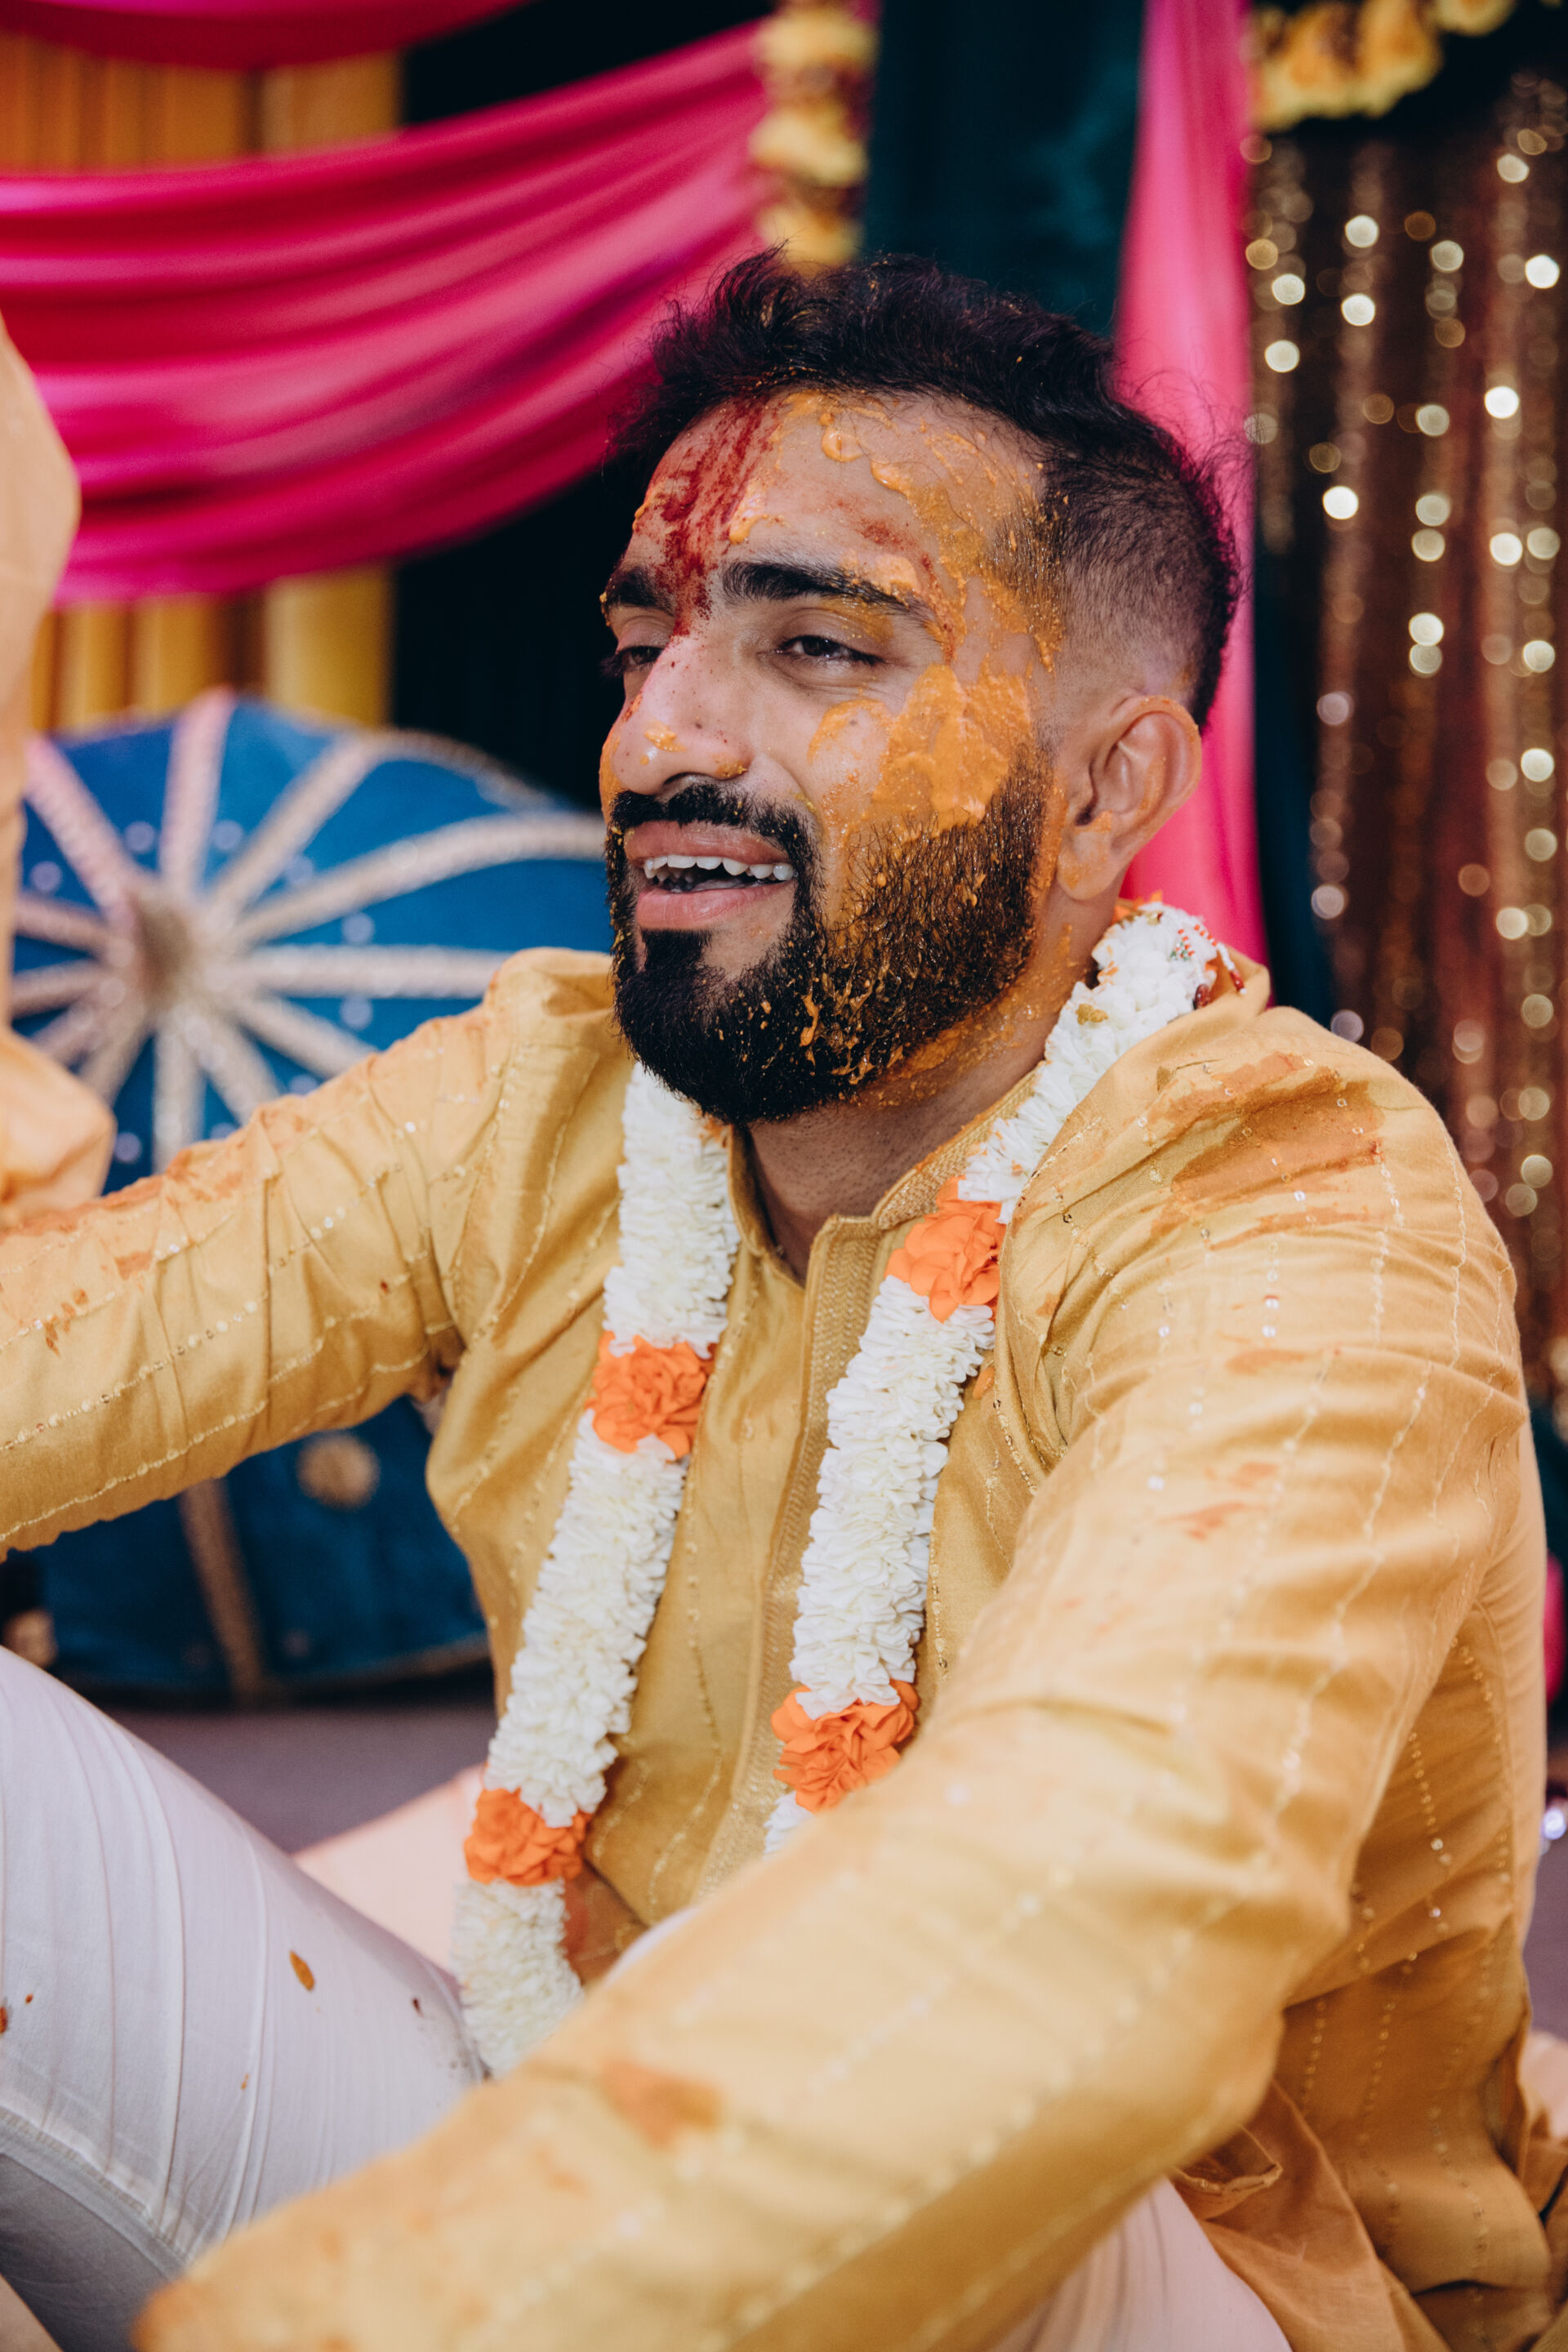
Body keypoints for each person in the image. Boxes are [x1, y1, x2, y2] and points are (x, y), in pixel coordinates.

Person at [0, 255, 1556, 2352]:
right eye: (647, 640)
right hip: (582, 2136)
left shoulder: (1297, 1203)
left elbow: (1091, 1902)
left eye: (815, 644)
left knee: (982, 2084)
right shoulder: (539, 1102)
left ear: (1107, 790)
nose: (659, 737)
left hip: (1184, 2260)